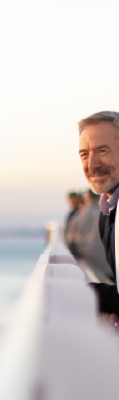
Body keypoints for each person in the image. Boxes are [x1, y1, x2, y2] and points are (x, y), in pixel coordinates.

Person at [77, 111, 119, 315]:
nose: (92, 164)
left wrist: (81, 294)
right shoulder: (107, 212)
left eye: (102, 151)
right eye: (84, 154)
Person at [65, 188, 113, 284]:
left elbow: (70, 244)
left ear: (86, 199)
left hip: (86, 265)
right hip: (108, 266)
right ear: (99, 197)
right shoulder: (109, 216)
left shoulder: (77, 218)